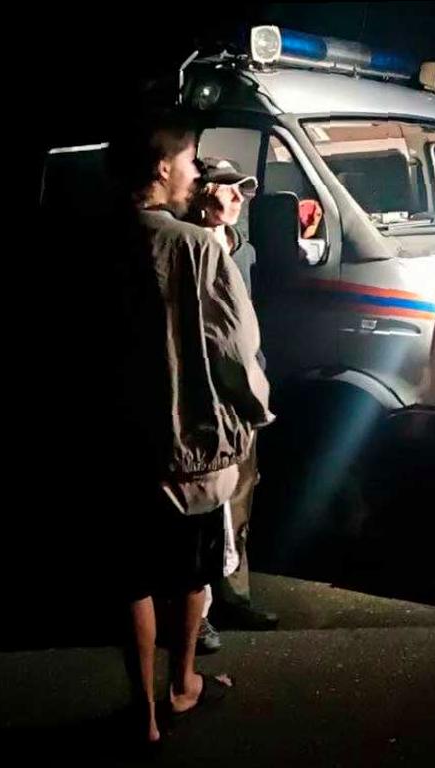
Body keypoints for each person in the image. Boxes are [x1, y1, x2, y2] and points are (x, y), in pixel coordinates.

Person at [111, 112, 274, 746]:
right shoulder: (196, 246)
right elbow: (235, 346)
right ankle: (182, 685)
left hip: (118, 441)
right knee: (188, 573)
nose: (194, 173)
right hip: (188, 447)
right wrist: (254, 410)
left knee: (130, 577)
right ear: (161, 167)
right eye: (189, 161)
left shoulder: (91, 241)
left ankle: (142, 714)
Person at [186, 158, 280, 647]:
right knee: (203, 504)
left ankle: (234, 596)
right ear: (203, 193)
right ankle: (195, 611)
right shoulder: (185, 247)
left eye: (243, 188)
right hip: (202, 395)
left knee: (240, 496)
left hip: (242, 393)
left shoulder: (244, 250)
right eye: (227, 187)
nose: (238, 197)